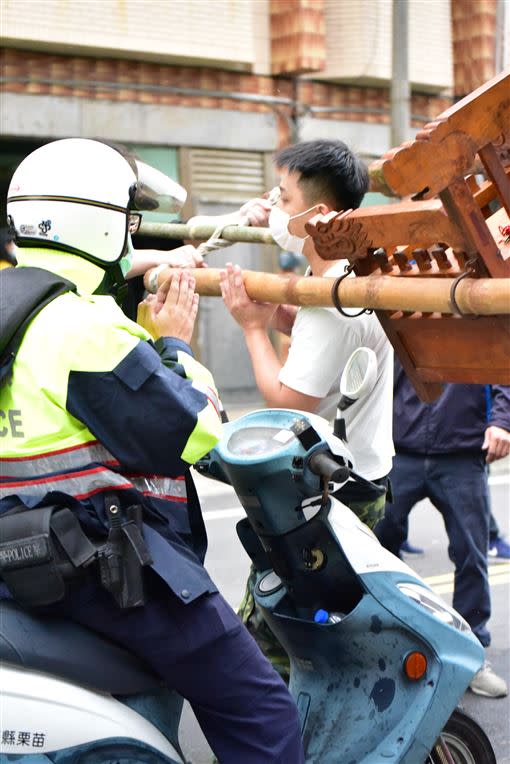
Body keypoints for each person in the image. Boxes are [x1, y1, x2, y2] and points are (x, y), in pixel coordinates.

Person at [0, 138, 304, 763]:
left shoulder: (18, 304)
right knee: (261, 708)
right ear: (101, 220)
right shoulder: (84, 329)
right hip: (97, 568)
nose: (132, 232)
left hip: (18, 556)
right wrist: (175, 346)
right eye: (129, 217)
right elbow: (199, 432)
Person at [219, 139, 394, 679]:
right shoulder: (350, 276)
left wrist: (251, 327)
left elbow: (287, 400)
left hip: (332, 490)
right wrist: (277, 317)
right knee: (323, 619)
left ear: (317, 215)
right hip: (363, 474)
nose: (272, 205)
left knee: (272, 632)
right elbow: (337, 354)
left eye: (282, 195)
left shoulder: (329, 302)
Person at [375, 359, 510, 699]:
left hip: (462, 454)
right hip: (399, 451)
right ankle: (380, 647)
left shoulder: (475, 313)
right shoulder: (398, 310)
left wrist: (502, 422)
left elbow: (502, 366)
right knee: (374, 554)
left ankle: (472, 656)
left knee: (471, 556)